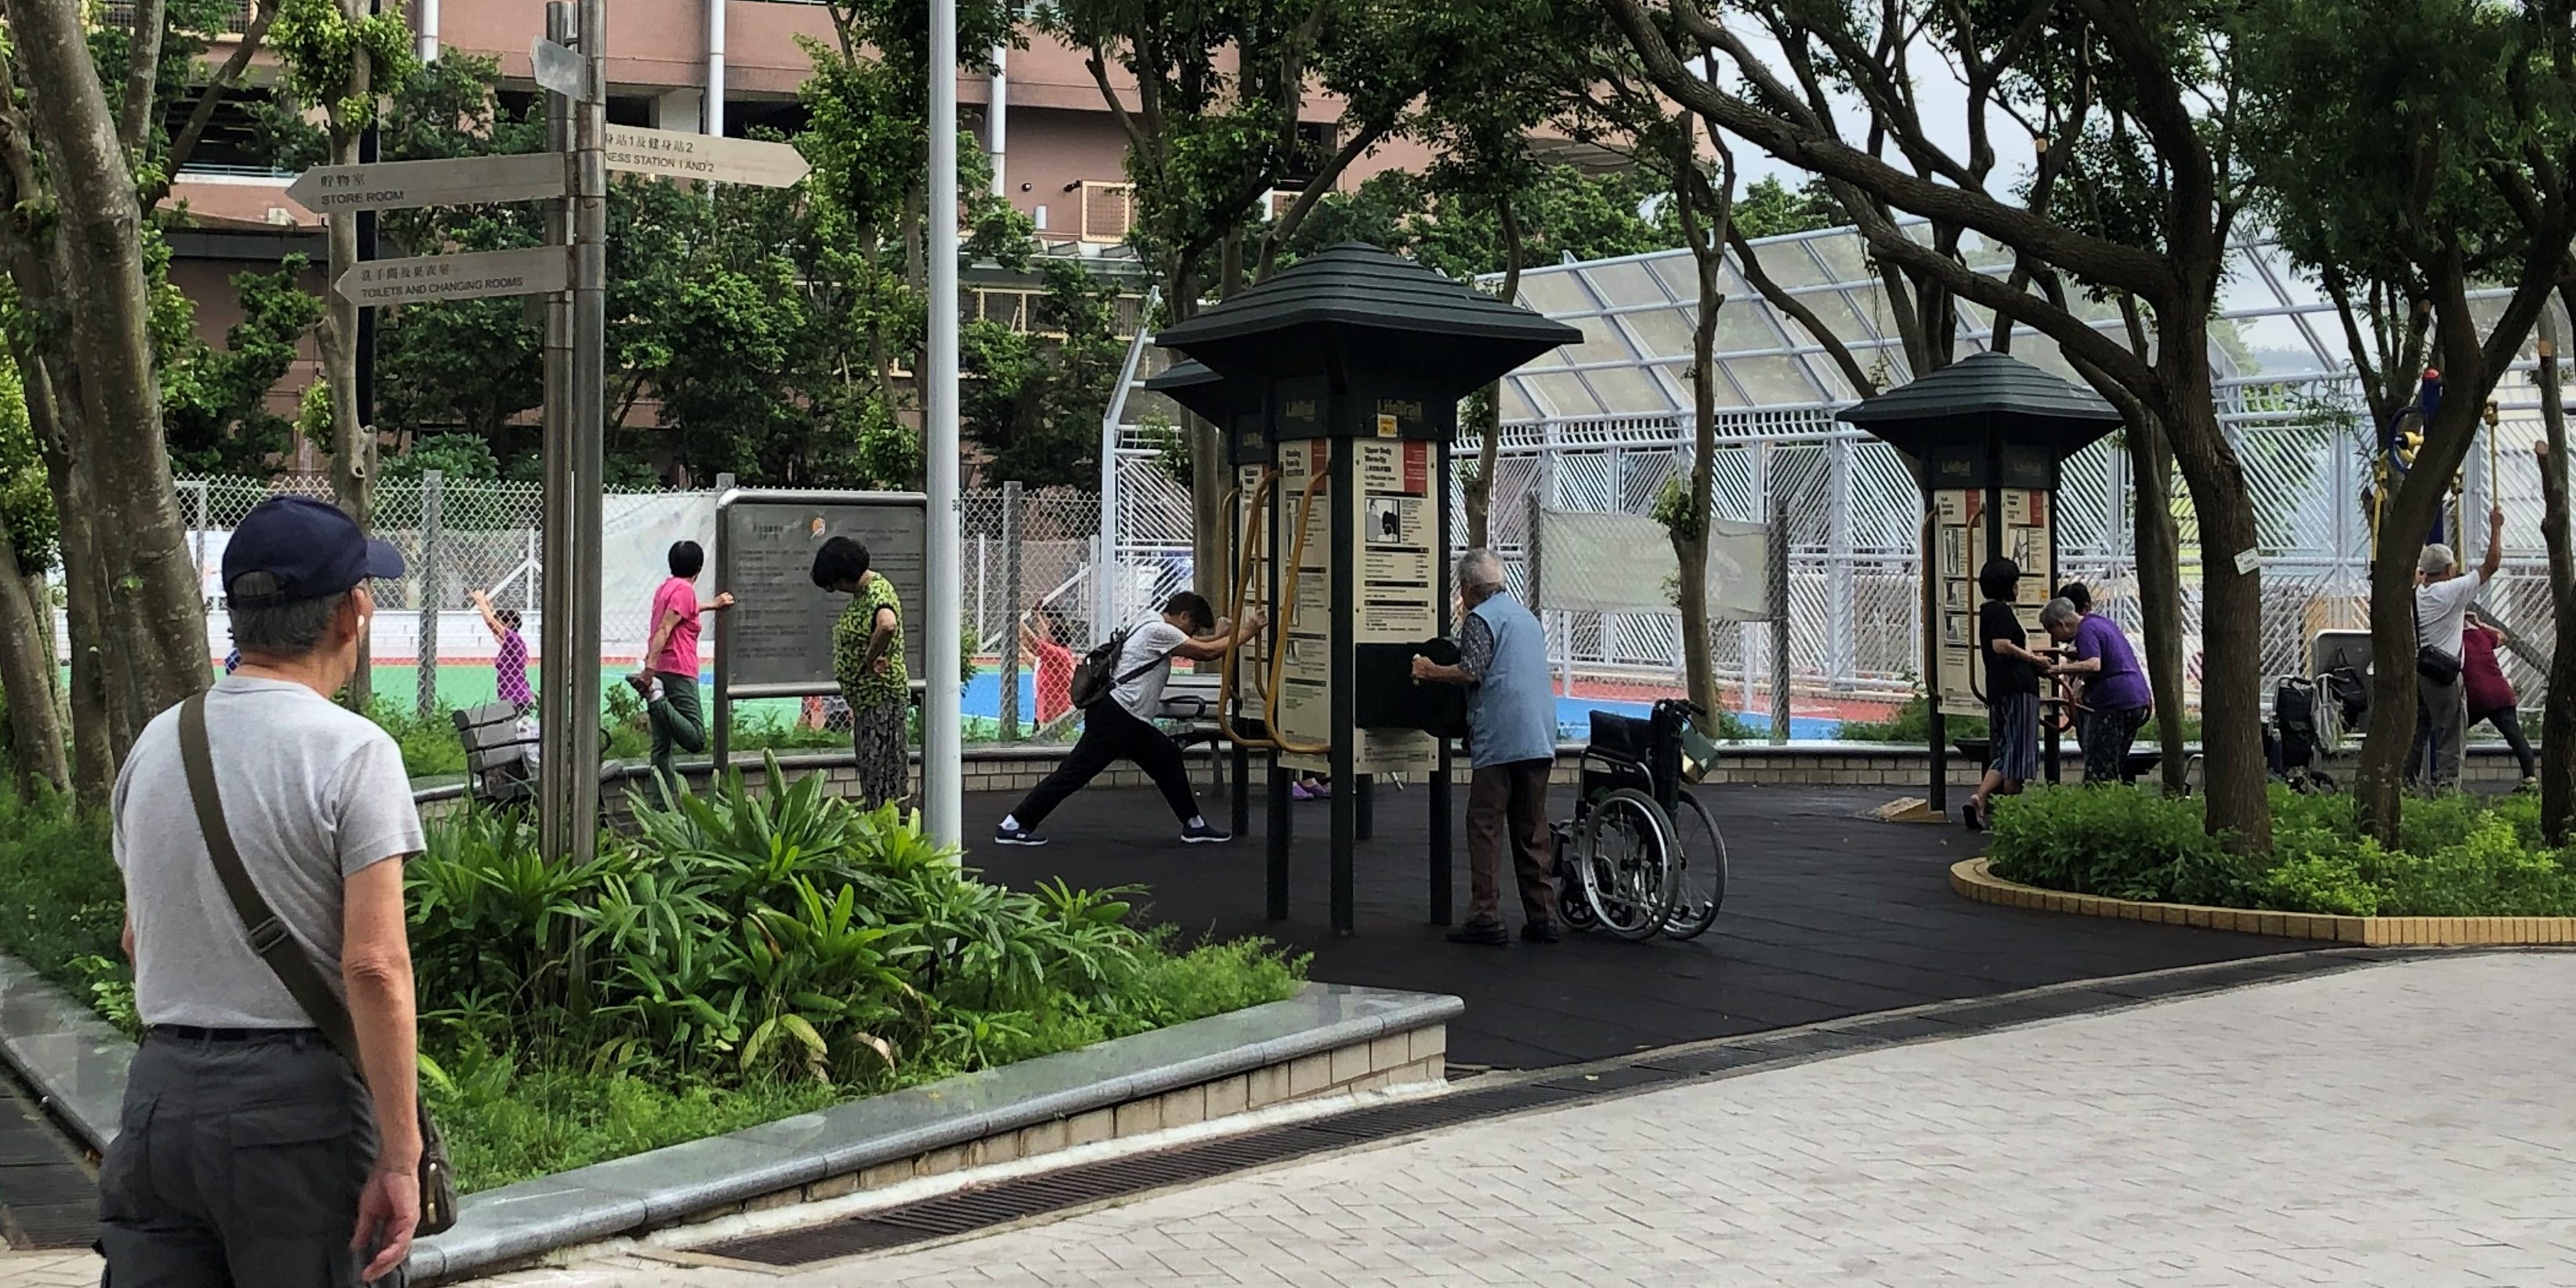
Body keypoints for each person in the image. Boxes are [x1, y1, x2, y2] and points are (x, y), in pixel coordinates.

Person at [103, 496, 425, 1285]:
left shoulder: (157, 743)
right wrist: (401, 1151)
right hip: (294, 1119)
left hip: (158, 1103)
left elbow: (135, 937)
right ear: (352, 612)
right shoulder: (354, 753)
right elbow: (375, 967)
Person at [993, 592, 1259, 846]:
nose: (1192, 635)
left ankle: (1194, 824)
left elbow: (1203, 646)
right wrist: (1248, 631)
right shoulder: (1160, 631)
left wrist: (1222, 635)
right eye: (1194, 628)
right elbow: (1206, 652)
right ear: (1184, 617)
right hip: (1119, 716)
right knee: (1073, 774)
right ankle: (1014, 824)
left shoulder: (1149, 620)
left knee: (1167, 758)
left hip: (1128, 718)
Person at [1413, 549, 1561, 946]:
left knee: (1485, 824)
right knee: (1532, 828)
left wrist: (1430, 670)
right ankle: (1543, 915)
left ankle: (1485, 916)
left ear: (1466, 588)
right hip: (1539, 736)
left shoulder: (1481, 618)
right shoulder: (1526, 618)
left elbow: (1471, 670)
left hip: (1501, 737)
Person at [629, 540, 736, 797]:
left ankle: (660, 808)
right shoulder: (685, 591)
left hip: (663, 669)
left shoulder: (666, 589)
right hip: (679, 670)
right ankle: (658, 699)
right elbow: (665, 628)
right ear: (699, 567)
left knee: (662, 746)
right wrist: (649, 671)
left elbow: (681, 613)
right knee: (696, 738)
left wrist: (713, 604)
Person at [813, 536, 910, 809]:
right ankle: (879, 820)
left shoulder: (878, 593)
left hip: (881, 700)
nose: (835, 590)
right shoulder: (864, 594)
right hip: (868, 702)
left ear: (845, 577)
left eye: (834, 585)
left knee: (883, 769)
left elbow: (888, 624)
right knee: (871, 768)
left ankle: (888, 828)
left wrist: (870, 658)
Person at [2412, 508, 2505, 791]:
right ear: (2450, 570)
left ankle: (2404, 786)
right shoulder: (2451, 591)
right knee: (2451, 733)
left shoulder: (2417, 593)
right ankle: (2447, 790)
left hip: (2419, 670)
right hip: (2444, 674)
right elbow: (2491, 565)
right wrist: (2496, 527)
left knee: (2417, 732)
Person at [1965, 557, 2050, 830]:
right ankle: (2012, 816)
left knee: (2004, 750)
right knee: (2021, 751)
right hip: (2019, 688)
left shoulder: (1986, 611)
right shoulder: (2001, 612)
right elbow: (2002, 645)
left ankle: (1981, 796)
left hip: (1998, 688)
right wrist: (2033, 660)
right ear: (2009, 585)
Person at [2042, 593, 2150, 785]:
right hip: (2136, 700)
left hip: (2113, 703)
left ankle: (2096, 806)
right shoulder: (2100, 623)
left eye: (2052, 632)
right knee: (2112, 762)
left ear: (2062, 624)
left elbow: (2094, 664)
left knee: (2099, 769)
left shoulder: (2085, 631)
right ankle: (2113, 802)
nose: (2055, 639)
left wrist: (2058, 669)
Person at [2462, 610, 2537, 787]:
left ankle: (2439, 778)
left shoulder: (2454, 639)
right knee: (2516, 737)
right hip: (2500, 694)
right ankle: (2530, 778)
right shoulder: (2480, 634)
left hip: (2476, 697)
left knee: (2450, 734)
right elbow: (2502, 637)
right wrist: (2480, 623)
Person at [469, 589, 532, 715]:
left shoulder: (514, 639)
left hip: (516, 698)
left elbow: (493, 625)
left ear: (508, 623)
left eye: (501, 622)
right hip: (509, 698)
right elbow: (494, 628)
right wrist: (487, 607)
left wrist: (481, 602)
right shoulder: (509, 643)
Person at [1020, 609, 1076, 728]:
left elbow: (1033, 641)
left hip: (1054, 710)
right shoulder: (1053, 655)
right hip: (1044, 707)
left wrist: (1016, 621)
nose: (1045, 635)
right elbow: (1043, 634)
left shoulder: (1056, 653)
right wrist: (1036, 616)